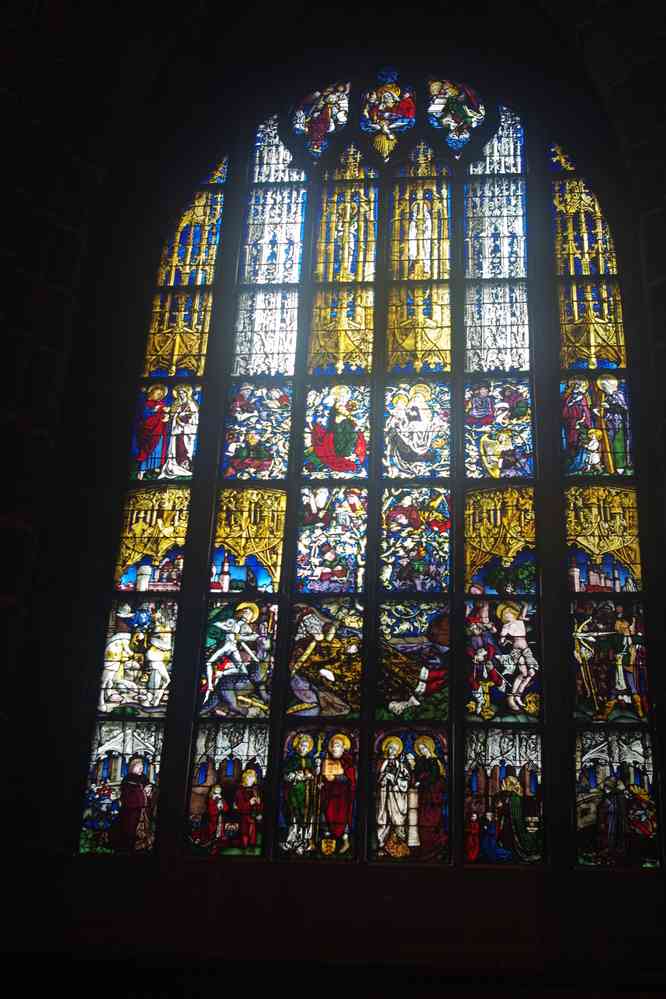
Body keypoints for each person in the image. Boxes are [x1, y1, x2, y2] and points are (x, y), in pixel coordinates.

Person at [319, 733, 356, 854]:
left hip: (343, 797)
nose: (335, 748)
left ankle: (345, 841)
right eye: (333, 746)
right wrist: (321, 782)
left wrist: (336, 778)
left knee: (342, 818)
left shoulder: (348, 761)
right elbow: (323, 778)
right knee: (325, 815)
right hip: (328, 795)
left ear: (343, 748)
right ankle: (327, 840)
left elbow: (350, 779)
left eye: (338, 746)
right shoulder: (326, 760)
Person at [412, 735, 447, 859]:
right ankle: (424, 848)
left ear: (429, 748)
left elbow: (437, 777)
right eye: (420, 749)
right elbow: (416, 774)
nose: (422, 751)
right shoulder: (420, 761)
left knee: (433, 820)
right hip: (423, 795)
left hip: (433, 796)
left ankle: (435, 847)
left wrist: (423, 780)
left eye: (424, 748)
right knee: (422, 819)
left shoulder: (435, 761)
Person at [376, 736, 411, 857]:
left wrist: (397, 783)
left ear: (397, 751)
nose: (392, 751)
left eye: (394, 749)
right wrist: (384, 778)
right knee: (383, 818)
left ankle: (400, 845)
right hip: (383, 795)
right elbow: (376, 778)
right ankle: (381, 844)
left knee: (398, 820)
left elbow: (407, 779)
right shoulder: (382, 763)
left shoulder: (401, 765)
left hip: (397, 796)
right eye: (390, 748)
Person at [282, 733, 317, 855]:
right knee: (294, 815)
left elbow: (315, 776)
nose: (303, 748)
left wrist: (312, 775)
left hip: (307, 793)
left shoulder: (311, 760)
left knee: (306, 816)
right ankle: (292, 840)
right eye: (302, 745)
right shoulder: (291, 759)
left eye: (306, 746)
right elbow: (285, 775)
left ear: (309, 748)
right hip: (294, 791)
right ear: (297, 746)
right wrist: (294, 775)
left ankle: (305, 841)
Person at [109, 758, 151, 852]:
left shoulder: (143, 778)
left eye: (142, 767)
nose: (141, 769)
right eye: (139, 767)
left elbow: (147, 788)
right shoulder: (128, 779)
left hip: (142, 809)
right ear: (132, 767)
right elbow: (126, 795)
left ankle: (139, 845)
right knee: (129, 829)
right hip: (130, 810)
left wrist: (148, 790)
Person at [160, 384, 199, 478]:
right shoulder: (176, 404)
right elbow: (173, 416)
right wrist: (175, 418)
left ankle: (185, 466)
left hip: (187, 431)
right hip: (177, 430)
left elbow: (194, 417)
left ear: (186, 394)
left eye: (183, 393)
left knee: (184, 448)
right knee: (176, 447)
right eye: (179, 393)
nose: (181, 395)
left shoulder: (191, 404)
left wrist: (184, 422)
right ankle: (175, 465)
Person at [134, 384, 169, 478]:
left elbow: (164, 416)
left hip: (159, 430)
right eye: (158, 393)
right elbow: (143, 417)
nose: (160, 396)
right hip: (148, 431)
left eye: (161, 394)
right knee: (146, 448)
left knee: (158, 448)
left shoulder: (162, 404)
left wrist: (166, 417)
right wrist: (154, 410)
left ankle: (155, 467)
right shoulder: (146, 404)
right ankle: (142, 469)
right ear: (151, 393)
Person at [234, 768, 263, 850]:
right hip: (243, 817)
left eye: (253, 777)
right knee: (244, 833)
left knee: (253, 834)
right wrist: (250, 803)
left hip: (253, 816)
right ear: (245, 777)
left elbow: (260, 804)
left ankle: (251, 847)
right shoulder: (239, 791)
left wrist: (259, 810)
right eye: (250, 777)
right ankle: (244, 847)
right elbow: (239, 806)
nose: (253, 780)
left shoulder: (254, 790)